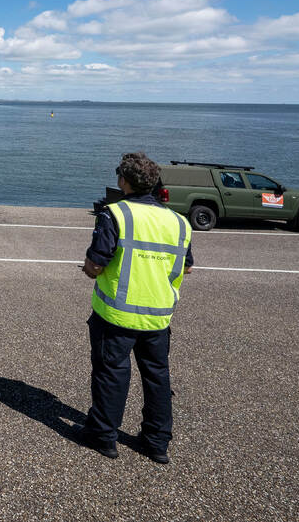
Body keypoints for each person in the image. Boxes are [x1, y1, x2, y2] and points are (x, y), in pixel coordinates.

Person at [78, 151, 193, 464]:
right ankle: (157, 442)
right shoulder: (179, 222)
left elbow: (96, 264)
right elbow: (187, 267)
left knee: (111, 373)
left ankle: (103, 436)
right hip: (158, 316)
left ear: (123, 181)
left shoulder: (115, 214)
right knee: (157, 377)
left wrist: (88, 268)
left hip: (117, 314)